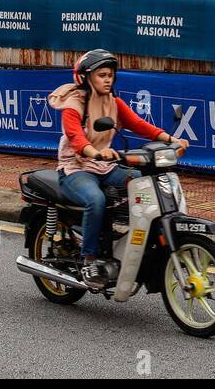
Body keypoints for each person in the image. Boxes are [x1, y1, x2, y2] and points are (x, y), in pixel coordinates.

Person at [47, 49, 187, 289]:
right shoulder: (73, 104)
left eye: (110, 74)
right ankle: (89, 258)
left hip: (105, 166)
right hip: (76, 168)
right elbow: (76, 137)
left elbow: (138, 124)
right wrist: (95, 152)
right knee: (96, 199)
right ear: (86, 78)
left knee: (145, 181)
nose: (108, 79)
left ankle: (134, 242)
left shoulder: (114, 102)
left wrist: (171, 139)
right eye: (101, 74)